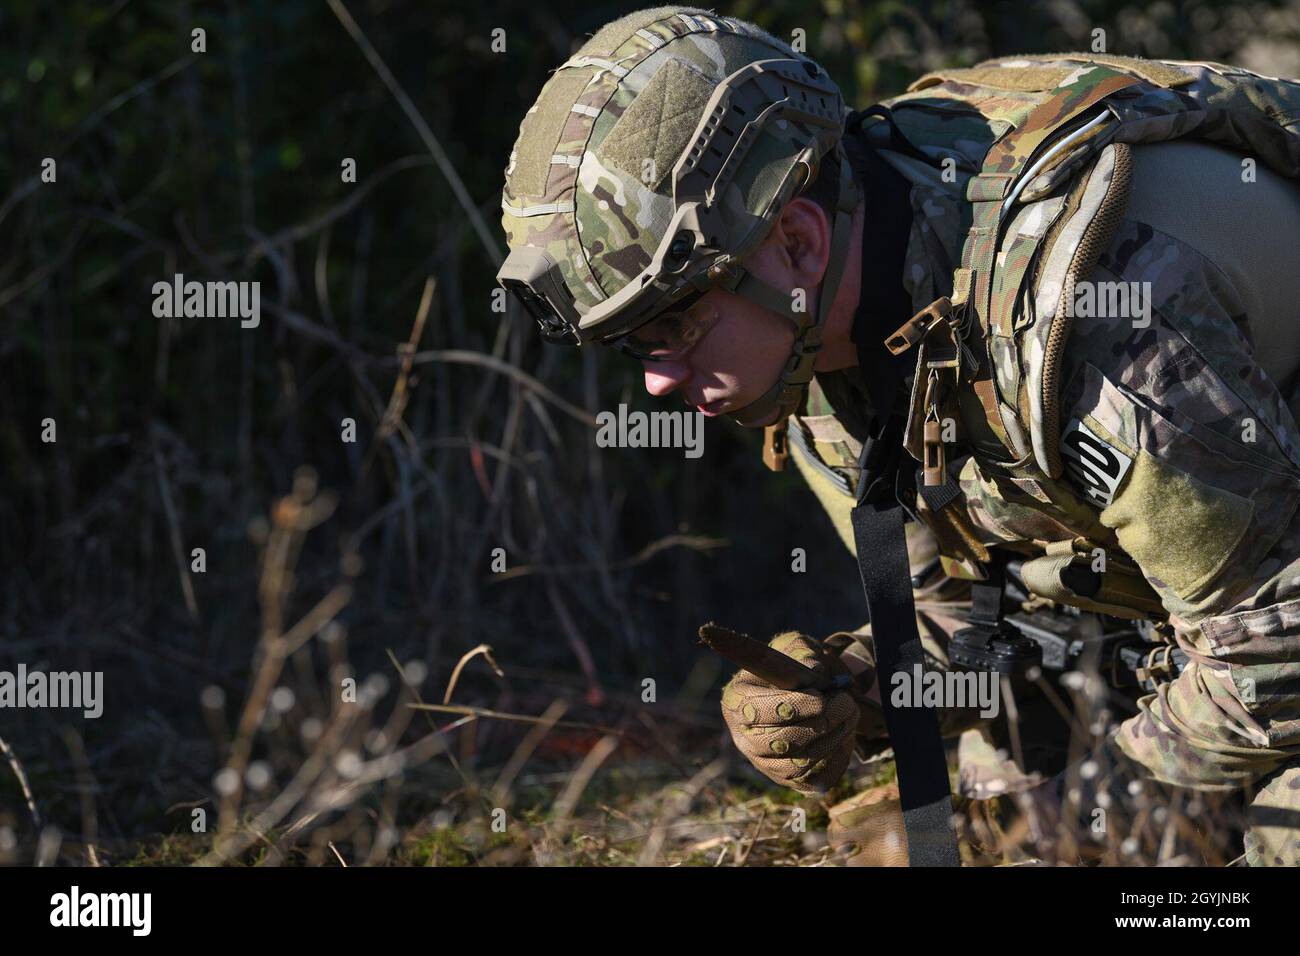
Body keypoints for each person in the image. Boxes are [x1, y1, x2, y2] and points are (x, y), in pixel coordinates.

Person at [496, 5, 1300, 865]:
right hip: (1196, 610)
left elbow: (1277, 647)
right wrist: (856, 688)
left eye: (673, 326)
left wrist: (1048, 829)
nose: (655, 378)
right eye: (630, 345)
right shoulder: (814, 334)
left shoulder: (1100, 316)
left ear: (796, 244)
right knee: (1003, 770)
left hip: (1268, 618)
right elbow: (989, 609)